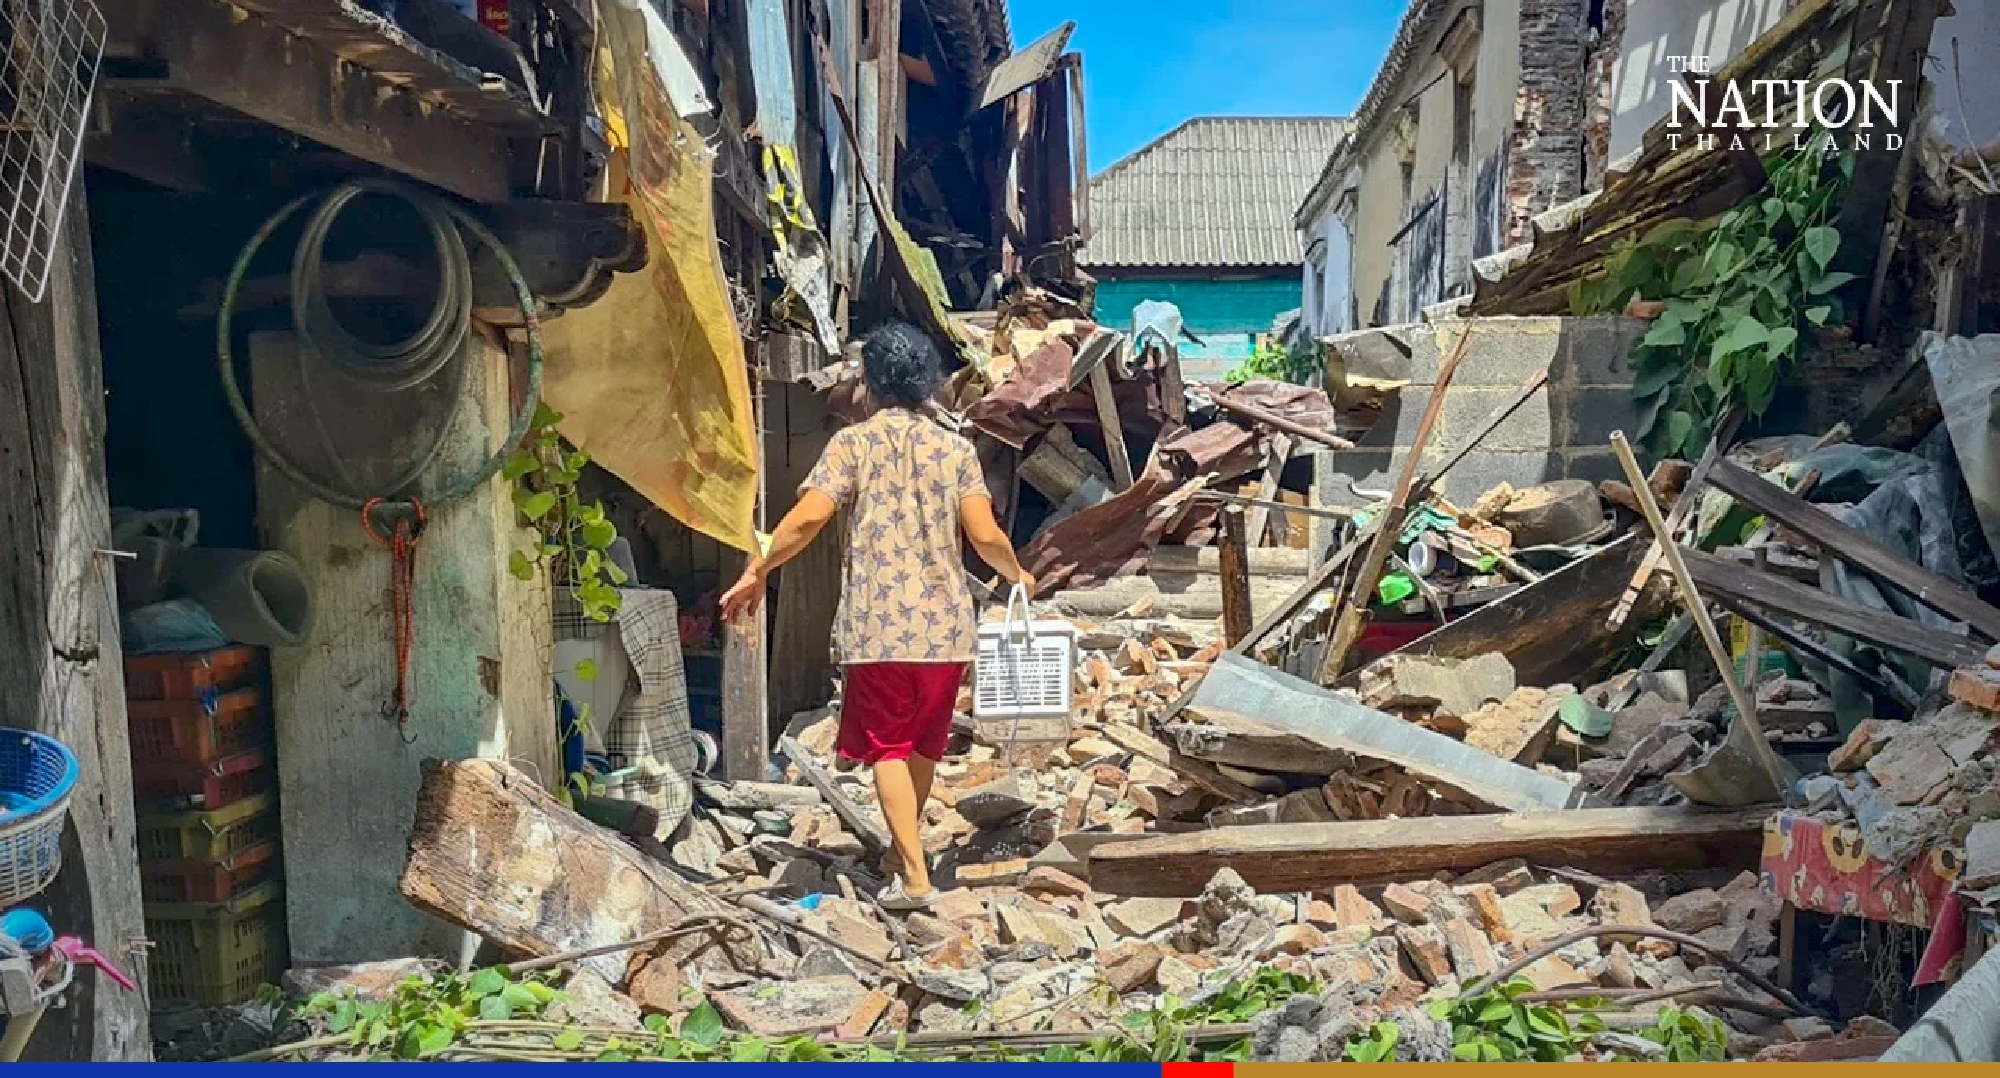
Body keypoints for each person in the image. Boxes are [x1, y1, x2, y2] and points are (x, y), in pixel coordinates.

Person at [719, 321, 1033, 910]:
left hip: (880, 627)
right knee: (921, 748)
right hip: (945, 631)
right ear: (927, 384)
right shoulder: (955, 449)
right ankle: (901, 849)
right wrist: (1016, 573)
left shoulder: (853, 445)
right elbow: (985, 534)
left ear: (870, 382)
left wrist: (759, 566)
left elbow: (808, 518)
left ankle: (914, 877)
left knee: (887, 748)